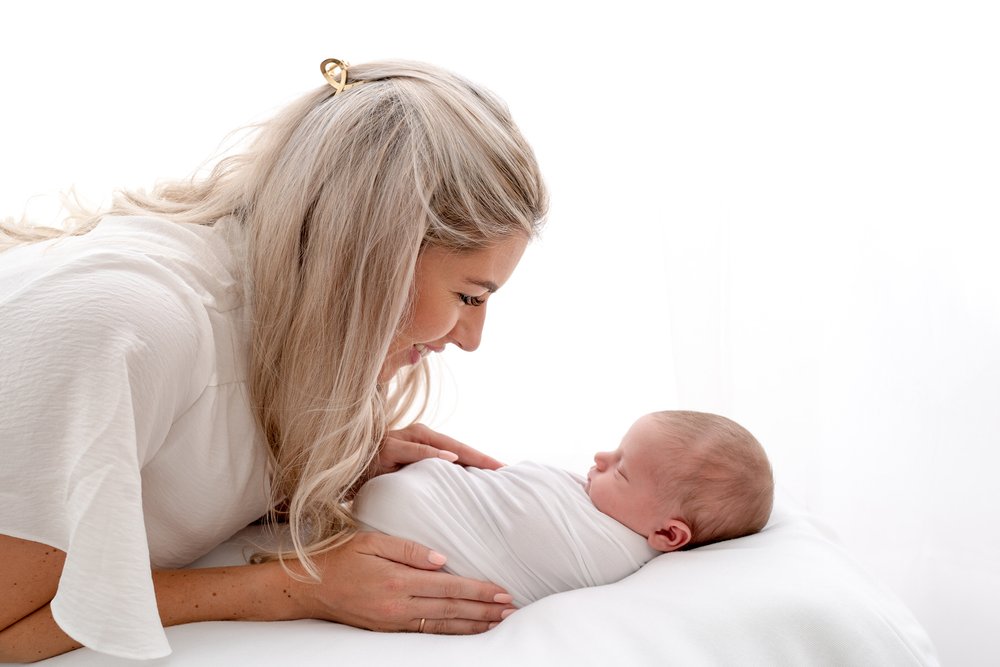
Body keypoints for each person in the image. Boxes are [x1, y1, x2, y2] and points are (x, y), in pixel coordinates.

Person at [0, 58, 547, 662]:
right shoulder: (131, 328)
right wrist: (290, 586)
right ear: (373, 257)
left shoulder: (275, 323)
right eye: (468, 296)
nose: (471, 339)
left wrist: (323, 467)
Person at [353, 410, 775, 606]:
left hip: (394, 517)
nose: (599, 458)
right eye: (615, 449)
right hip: (388, 494)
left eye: (622, 470)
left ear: (667, 535)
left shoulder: (608, 555)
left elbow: (522, 530)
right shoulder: (609, 510)